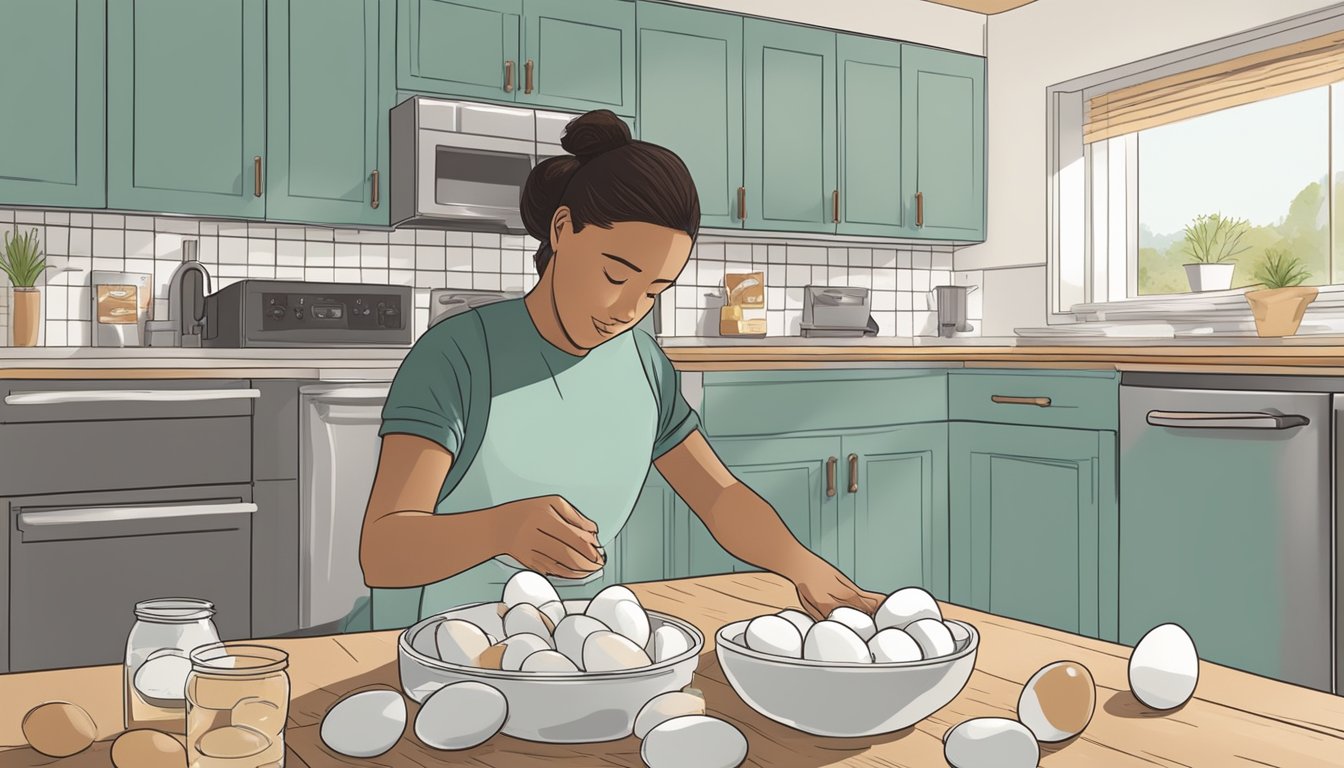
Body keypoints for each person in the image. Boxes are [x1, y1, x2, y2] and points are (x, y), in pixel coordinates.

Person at [358, 109, 881, 630]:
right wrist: (500, 529)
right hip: (446, 645)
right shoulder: (459, 355)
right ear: (563, 230)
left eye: (655, 290)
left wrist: (800, 565)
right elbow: (382, 550)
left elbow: (719, 497)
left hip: (590, 641)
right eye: (616, 274)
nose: (630, 310)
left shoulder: (645, 364)